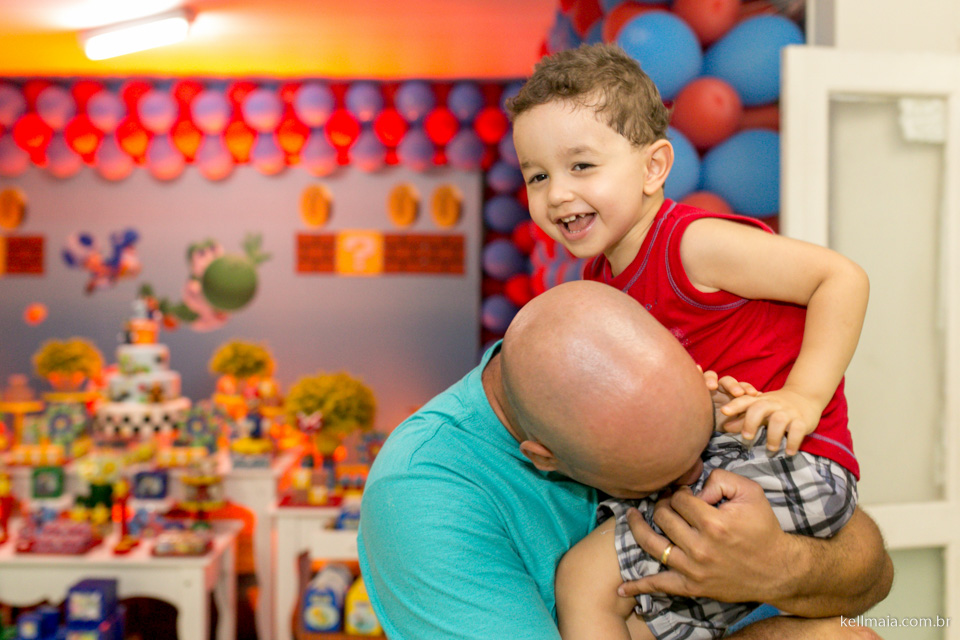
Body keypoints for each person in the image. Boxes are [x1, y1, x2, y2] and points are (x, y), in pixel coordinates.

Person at [507, 43, 871, 639]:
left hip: (788, 458)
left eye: (581, 166)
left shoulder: (692, 243)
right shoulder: (599, 279)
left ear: (654, 168)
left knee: (584, 580)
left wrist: (803, 397)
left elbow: (841, 278)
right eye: (538, 176)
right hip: (716, 462)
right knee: (637, 608)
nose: (557, 194)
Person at [358, 281, 891, 640]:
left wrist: (778, 567)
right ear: (545, 459)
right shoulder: (422, 495)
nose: (695, 478)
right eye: (657, 480)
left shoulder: (637, 367)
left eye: (700, 446)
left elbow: (870, 568)